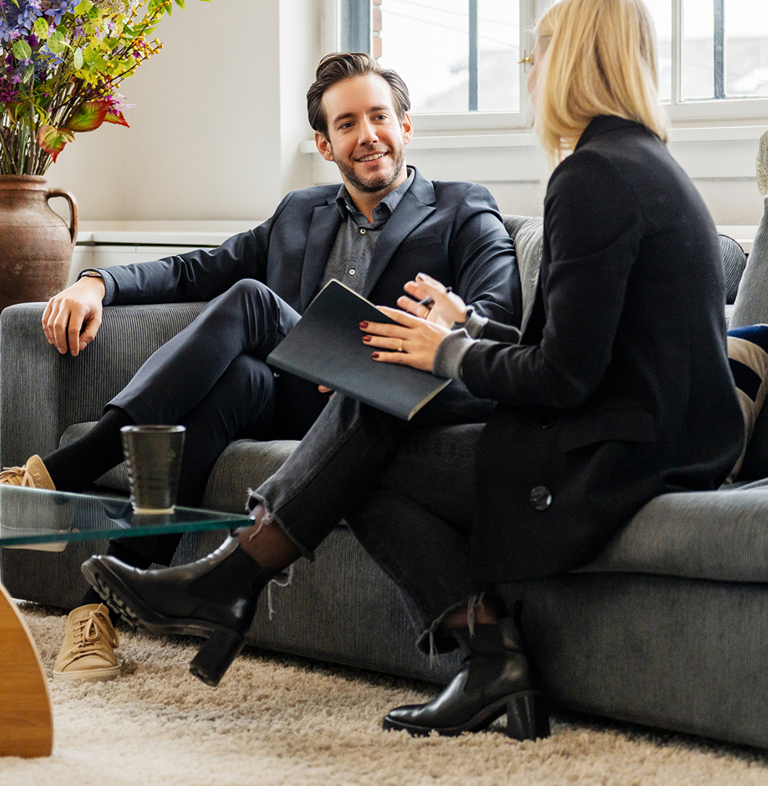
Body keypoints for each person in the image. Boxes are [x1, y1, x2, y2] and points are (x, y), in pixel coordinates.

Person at [81, 0, 744, 740]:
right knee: (380, 399)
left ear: (573, 62)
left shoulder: (591, 176)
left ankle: (245, 581)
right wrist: (466, 326)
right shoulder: (637, 163)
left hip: (616, 452)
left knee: (370, 429)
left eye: (539, 55)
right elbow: (568, 347)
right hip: (649, 434)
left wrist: (449, 349)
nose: (531, 75)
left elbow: (563, 376)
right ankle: (451, 647)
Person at [0, 51, 520, 683]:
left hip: (386, 405)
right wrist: (96, 282)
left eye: (379, 117)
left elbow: (497, 318)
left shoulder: (462, 208)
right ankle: (97, 616)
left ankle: (62, 472)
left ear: (406, 126)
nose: (368, 135)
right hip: (305, 403)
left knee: (251, 301)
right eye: (347, 123)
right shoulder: (301, 211)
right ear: (326, 145)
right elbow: (195, 270)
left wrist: (440, 328)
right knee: (237, 383)